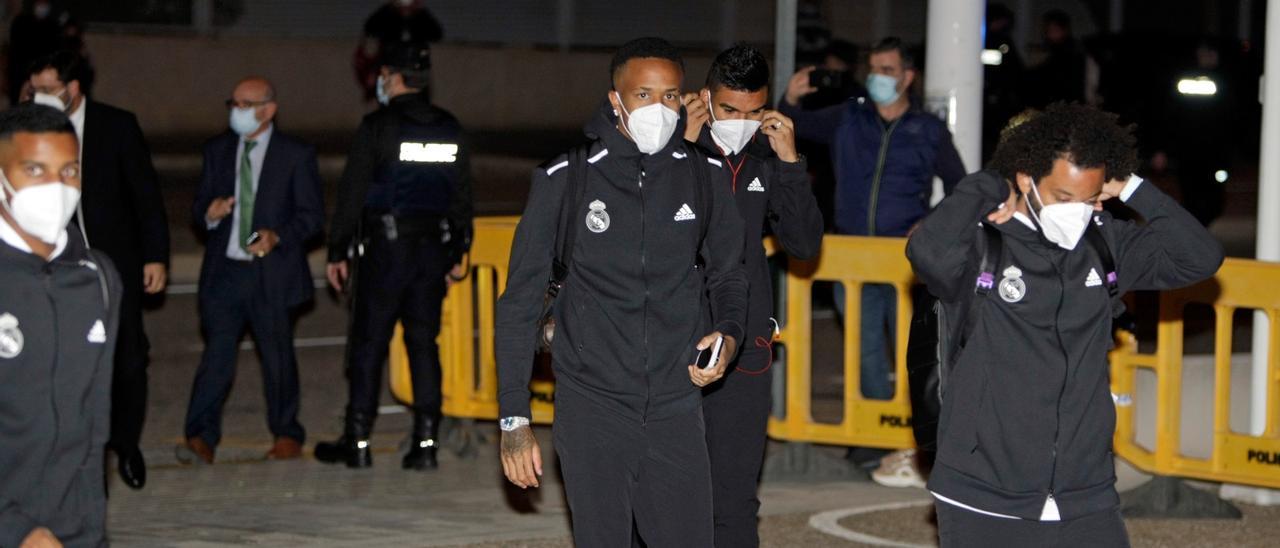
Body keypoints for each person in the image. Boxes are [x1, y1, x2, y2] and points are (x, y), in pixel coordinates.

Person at [907, 103, 1223, 547]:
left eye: (1088, 198)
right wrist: (991, 182)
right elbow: (926, 251)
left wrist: (1132, 187)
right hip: (983, 489)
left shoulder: (1104, 243)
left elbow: (1201, 257)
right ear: (1026, 179)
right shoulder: (980, 246)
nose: (1076, 211)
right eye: (1062, 197)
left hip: (1085, 489)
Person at [495, 37, 748, 546]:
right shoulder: (565, 180)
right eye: (643, 95)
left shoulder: (705, 176)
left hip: (677, 408)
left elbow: (728, 274)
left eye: (671, 96)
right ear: (616, 99)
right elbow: (519, 303)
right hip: (593, 409)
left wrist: (729, 332)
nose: (659, 109)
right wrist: (513, 420)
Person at [779, 36, 966, 474]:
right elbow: (791, 126)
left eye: (887, 69)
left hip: (904, 263)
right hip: (851, 258)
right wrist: (788, 98)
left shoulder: (928, 129)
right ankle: (872, 441)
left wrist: (932, 223)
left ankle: (913, 437)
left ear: (907, 76)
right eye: (874, 69)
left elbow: (960, 186)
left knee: (910, 350)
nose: (878, 78)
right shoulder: (849, 117)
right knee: (864, 351)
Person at [682, 44, 823, 547]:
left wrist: (790, 161)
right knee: (663, 490)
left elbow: (805, 245)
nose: (740, 122)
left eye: (754, 112)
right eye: (729, 110)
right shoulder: (677, 152)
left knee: (735, 496)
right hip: (672, 340)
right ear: (704, 99)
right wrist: (682, 145)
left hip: (746, 350)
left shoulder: (768, 159)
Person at [318, 42, 473, 471]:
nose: (380, 82)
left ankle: (358, 439)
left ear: (395, 77)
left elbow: (352, 194)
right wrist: (459, 248)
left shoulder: (378, 126)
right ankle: (425, 444)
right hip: (432, 253)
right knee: (424, 343)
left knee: (369, 344)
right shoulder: (450, 127)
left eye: (384, 75)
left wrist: (338, 250)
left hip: (386, 251)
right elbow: (462, 196)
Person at [27, 49, 169, 490]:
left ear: (73, 89)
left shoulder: (116, 125)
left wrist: (155, 256)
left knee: (128, 357)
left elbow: (146, 195)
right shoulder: (29, 130)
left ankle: (125, 444)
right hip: (56, 268)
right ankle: (76, 455)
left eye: (48, 91)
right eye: (35, 91)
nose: (41, 99)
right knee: (65, 364)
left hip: (115, 264)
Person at [177, 77, 324, 465]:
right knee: (217, 356)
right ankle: (200, 436)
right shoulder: (218, 150)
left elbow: (312, 216)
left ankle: (286, 432)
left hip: (270, 273)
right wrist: (208, 214)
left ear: (268, 110)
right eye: (233, 103)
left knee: (277, 356)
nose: (236, 111)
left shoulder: (295, 154)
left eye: (246, 104)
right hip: (225, 271)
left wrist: (279, 236)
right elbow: (198, 208)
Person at [0, 103, 121, 548]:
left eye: (68, 171)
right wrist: (14, 531)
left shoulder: (98, 279)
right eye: (35, 169)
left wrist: (90, 530)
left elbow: (95, 424)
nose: (56, 187)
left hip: (72, 530)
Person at [354, 0, 443, 101]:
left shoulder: (420, 18)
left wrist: (421, 11)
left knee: (418, 103)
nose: (405, 6)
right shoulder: (389, 17)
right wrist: (388, 8)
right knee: (388, 104)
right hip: (391, 69)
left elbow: (437, 34)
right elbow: (370, 28)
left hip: (416, 70)